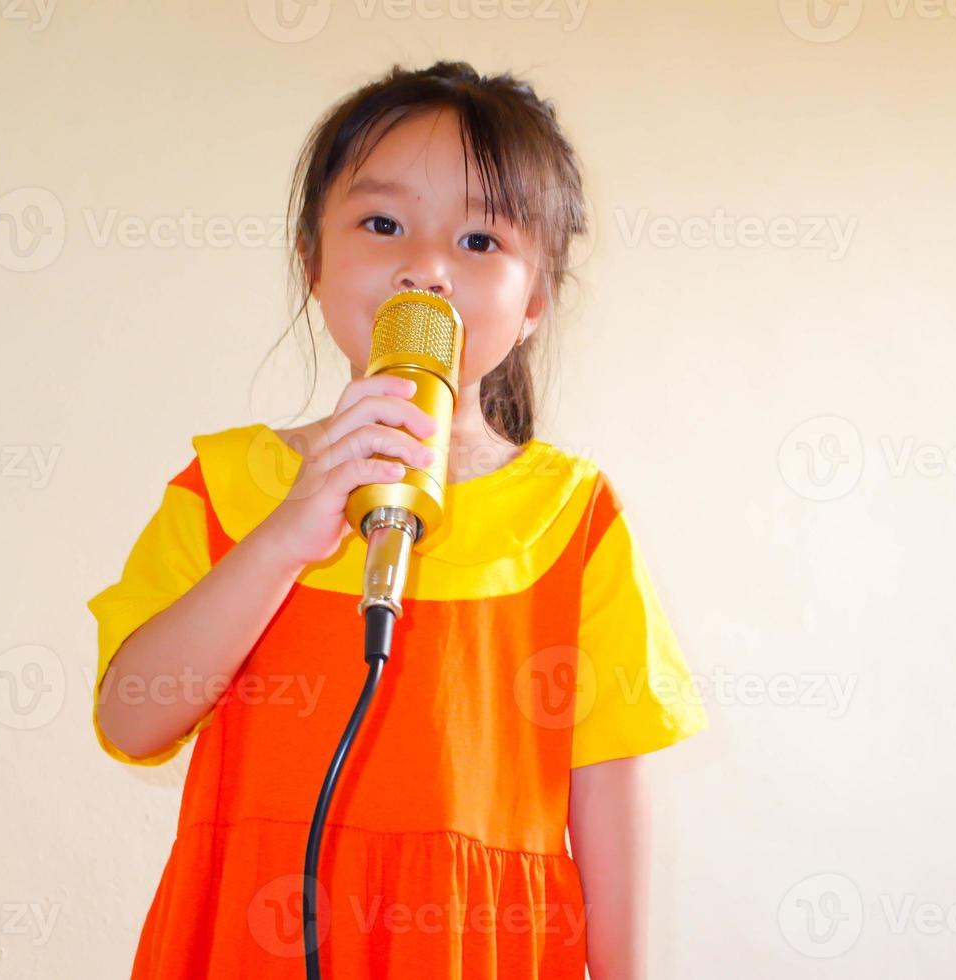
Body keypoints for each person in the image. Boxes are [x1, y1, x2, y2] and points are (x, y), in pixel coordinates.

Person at [85, 61, 707, 979]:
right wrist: (288, 532)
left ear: (535, 298)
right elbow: (130, 720)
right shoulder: (224, 486)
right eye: (382, 225)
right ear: (313, 260)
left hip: (475, 945)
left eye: (481, 239)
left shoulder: (572, 517)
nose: (427, 267)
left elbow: (607, 784)